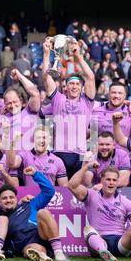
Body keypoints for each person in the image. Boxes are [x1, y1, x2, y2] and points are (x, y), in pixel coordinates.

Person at [67, 162, 131, 261]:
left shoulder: (125, 201)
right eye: (108, 179)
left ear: (118, 182)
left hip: (120, 243)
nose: (111, 182)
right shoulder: (91, 195)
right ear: (102, 181)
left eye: (114, 180)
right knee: (88, 229)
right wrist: (87, 167)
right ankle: (104, 252)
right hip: (100, 240)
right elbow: (71, 185)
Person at [41, 37, 96, 179]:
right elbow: (46, 78)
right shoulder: (58, 99)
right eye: (71, 84)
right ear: (66, 87)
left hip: (80, 155)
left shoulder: (87, 101)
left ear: (82, 87)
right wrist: (47, 54)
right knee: (59, 195)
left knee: (81, 192)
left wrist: (78, 57)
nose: (74, 86)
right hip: (59, 153)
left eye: (77, 84)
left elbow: (90, 77)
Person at [0, 166, 66, 261]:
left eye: (11, 197)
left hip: (41, 234)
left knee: (43, 212)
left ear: (16, 198)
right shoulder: (1, 217)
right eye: (5, 198)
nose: (8, 200)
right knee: (35, 249)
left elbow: (49, 191)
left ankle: (58, 251)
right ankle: (42, 255)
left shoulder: (29, 205)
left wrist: (36, 174)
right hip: (24, 243)